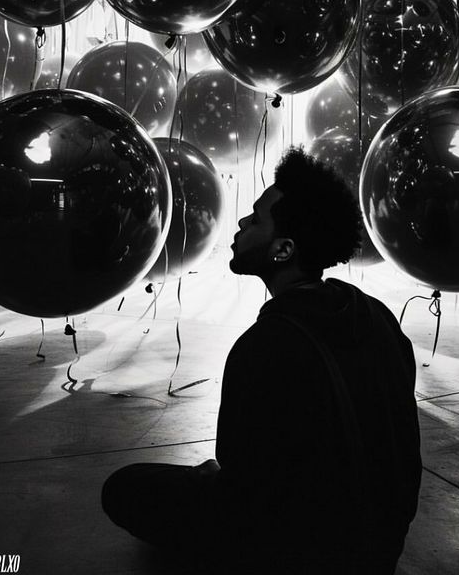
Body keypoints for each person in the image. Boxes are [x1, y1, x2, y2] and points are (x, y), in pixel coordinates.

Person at [102, 146, 422, 574]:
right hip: (381, 546)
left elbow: (243, 488)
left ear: (283, 250)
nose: (240, 224)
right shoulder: (375, 314)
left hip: (302, 553)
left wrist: (208, 483)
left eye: (255, 220)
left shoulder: (268, 344)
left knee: (125, 489)